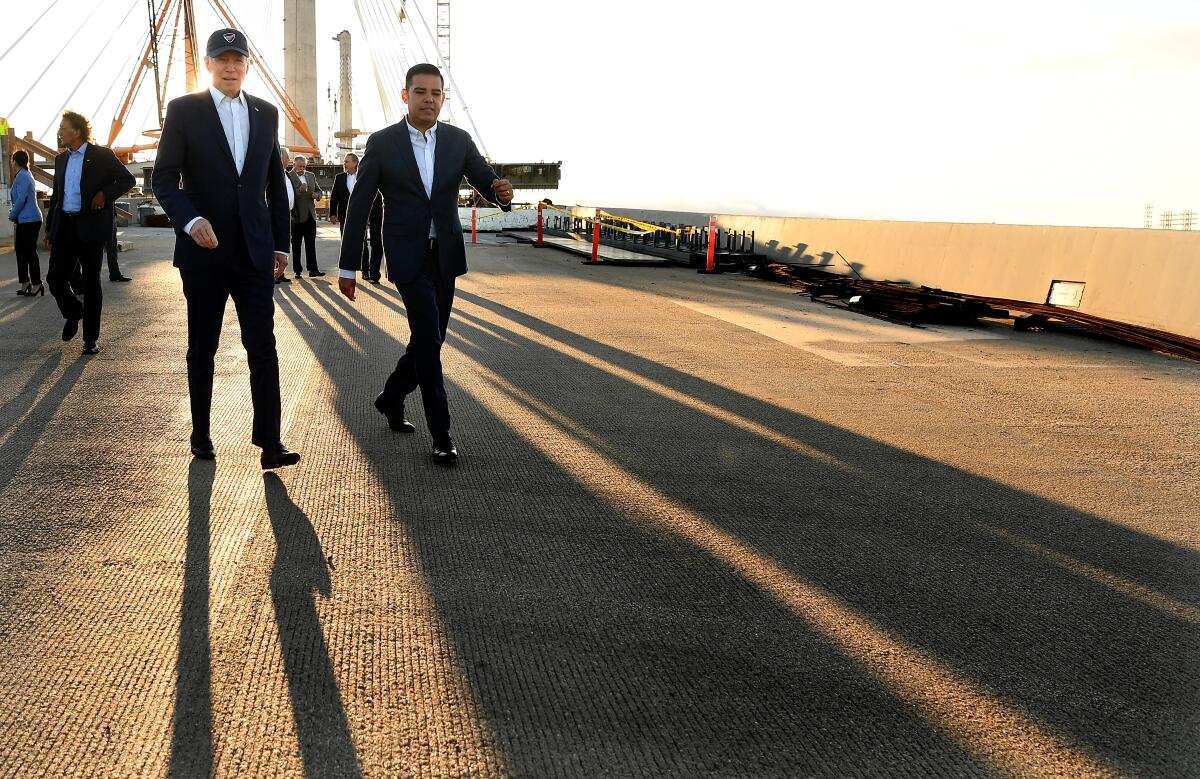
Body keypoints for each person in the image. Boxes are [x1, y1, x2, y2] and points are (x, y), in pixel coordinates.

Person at [337, 63, 514, 464]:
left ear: (442, 98)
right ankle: (442, 433)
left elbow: (485, 180)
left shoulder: (457, 140)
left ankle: (391, 396)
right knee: (430, 344)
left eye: (436, 93)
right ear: (406, 96)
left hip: (445, 255)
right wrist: (349, 267)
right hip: (406, 256)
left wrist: (501, 192)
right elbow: (360, 206)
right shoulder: (382, 144)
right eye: (421, 92)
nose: (429, 99)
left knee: (429, 339)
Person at [151, 27, 300, 469]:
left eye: (238, 59)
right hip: (204, 251)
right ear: (210, 65)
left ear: (247, 65)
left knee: (263, 346)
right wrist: (190, 220)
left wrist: (281, 246)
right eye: (222, 59)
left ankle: (270, 443)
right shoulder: (184, 110)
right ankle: (200, 432)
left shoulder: (266, 112)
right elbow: (163, 178)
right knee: (203, 347)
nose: (231, 66)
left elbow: (274, 183)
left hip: (254, 252)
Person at [43, 111, 136, 355]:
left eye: (63, 128)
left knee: (92, 283)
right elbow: (56, 197)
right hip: (65, 227)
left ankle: (90, 339)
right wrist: (49, 229)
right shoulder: (61, 159)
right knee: (54, 278)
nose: (60, 131)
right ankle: (74, 311)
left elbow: (127, 180)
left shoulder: (102, 155)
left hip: (91, 228)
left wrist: (104, 194)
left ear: (77, 130)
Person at [327, 152, 383, 282]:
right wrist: (332, 214)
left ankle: (368, 272)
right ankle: (353, 271)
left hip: (368, 213)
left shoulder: (365, 176)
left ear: (355, 163)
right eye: (344, 161)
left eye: (347, 161)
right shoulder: (339, 178)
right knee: (352, 243)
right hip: (347, 215)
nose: (344, 163)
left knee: (369, 243)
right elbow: (334, 197)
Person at [8, 150, 44, 297]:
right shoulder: (21, 175)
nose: (11, 162)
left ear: (15, 162)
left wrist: (12, 214)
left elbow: (21, 199)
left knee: (29, 252)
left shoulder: (23, 175)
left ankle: (36, 283)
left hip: (31, 219)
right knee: (21, 252)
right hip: (24, 219)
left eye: (12, 160)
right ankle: (25, 282)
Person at [287, 154, 322, 278]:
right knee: (296, 245)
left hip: (310, 215)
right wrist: (299, 191)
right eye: (299, 166)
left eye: (304, 166)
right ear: (294, 164)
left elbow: (319, 190)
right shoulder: (288, 176)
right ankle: (297, 270)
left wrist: (316, 195)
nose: (302, 168)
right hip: (296, 216)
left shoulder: (310, 175)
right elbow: (288, 196)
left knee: (311, 244)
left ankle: (313, 269)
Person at [275, 148, 294, 284]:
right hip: (274, 215)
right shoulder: (273, 174)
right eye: (287, 157)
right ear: (281, 158)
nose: (289, 160)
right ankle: (273, 273)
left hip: (287, 214)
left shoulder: (286, 174)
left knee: (283, 244)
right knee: (274, 245)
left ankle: (280, 274)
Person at [105, 216, 132, 282]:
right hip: (99, 217)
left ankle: (115, 274)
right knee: (94, 251)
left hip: (110, 217)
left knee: (112, 249)